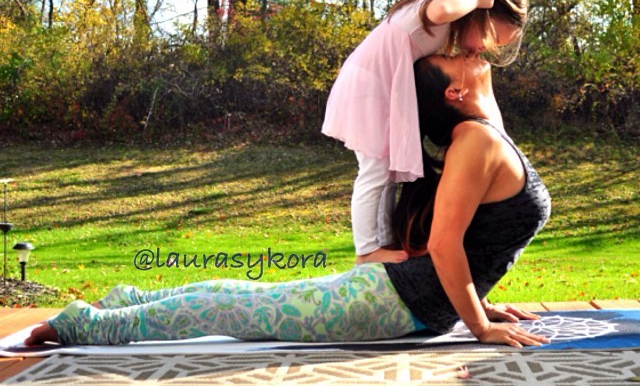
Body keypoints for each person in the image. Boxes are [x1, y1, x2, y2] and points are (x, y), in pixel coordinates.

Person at [25, 51, 551, 350]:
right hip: (392, 299)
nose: (468, 51)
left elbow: (476, 241)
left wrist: (477, 301)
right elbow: (444, 243)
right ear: (453, 93)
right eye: (455, 55)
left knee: (242, 300)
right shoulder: (476, 141)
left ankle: (127, 300)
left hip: (395, 297)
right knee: (235, 307)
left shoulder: (480, 137)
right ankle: (90, 323)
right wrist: (479, 326)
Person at [322, 0, 528, 265]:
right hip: (370, 89)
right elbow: (443, 9)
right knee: (375, 172)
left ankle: (382, 242)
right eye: (492, 37)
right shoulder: (438, 12)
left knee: (387, 175)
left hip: (380, 91)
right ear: (479, 13)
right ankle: (366, 249)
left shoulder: (443, 37)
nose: (485, 48)